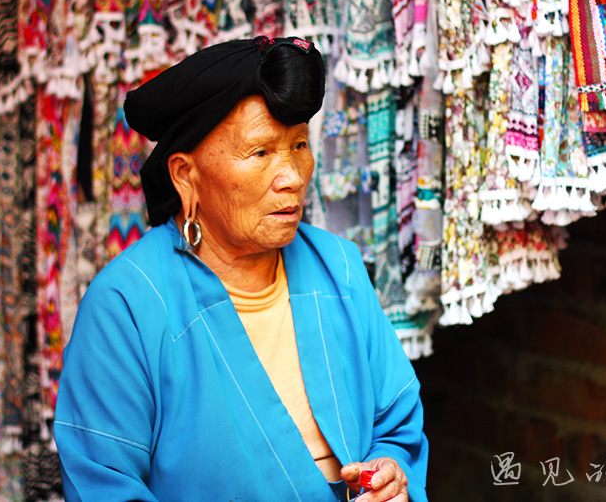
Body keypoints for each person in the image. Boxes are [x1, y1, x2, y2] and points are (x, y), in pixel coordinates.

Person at [53, 36, 429, 502]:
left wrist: (391, 475)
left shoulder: (341, 268)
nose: (292, 175)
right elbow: (104, 484)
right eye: (261, 153)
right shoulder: (126, 307)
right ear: (185, 175)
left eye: (298, 145)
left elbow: (395, 426)